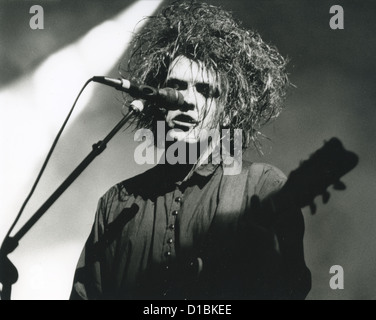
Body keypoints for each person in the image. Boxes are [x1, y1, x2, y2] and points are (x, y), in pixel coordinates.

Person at [70, 1, 311, 300]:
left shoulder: (261, 188)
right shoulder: (117, 204)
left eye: (204, 90)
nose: (186, 100)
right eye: (176, 86)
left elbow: (289, 288)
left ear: (230, 111)